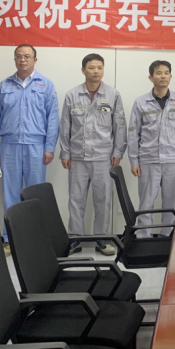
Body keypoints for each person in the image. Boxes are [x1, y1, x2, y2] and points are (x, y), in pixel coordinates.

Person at [0, 45, 59, 255]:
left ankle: (35, 239)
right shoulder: (4, 86)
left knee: (34, 195)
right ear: (14, 60)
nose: (23, 60)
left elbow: (52, 119)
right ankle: (8, 239)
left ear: (35, 60)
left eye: (27, 56)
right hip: (9, 146)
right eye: (19, 56)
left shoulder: (46, 85)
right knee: (10, 194)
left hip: (37, 146)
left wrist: (49, 147)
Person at [59, 54, 126, 255]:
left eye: (99, 67)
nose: (96, 71)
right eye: (91, 67)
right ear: (83, 70)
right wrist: (65, 152)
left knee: (103, 200)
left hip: (103, 157)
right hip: (77, 157)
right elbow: (65, 126)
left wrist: (118, 151)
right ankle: (75, 239)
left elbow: (120, 125)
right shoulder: (72, 95)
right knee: (76, 200)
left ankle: (102, 239)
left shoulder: (113, 95)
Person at [127, 60, 175, 238]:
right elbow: (133, 133)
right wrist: (134, 161)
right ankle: (143, 236)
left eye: (166, 72)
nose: (163, 76)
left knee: (170, 202)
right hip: (148, 159)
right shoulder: (141, 102)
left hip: (173, 159)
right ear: (151, 77)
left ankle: (167, 237)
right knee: (146, 202)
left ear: (170, 76)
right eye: (158, 73)